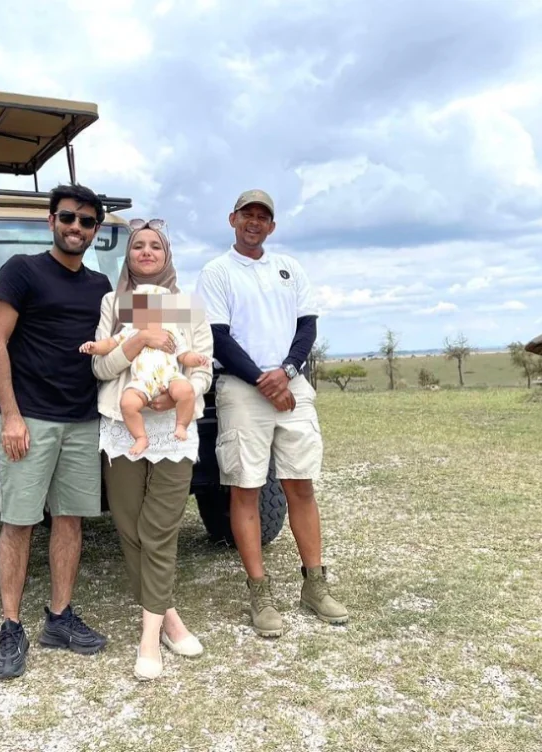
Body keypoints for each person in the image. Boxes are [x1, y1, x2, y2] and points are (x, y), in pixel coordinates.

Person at [194, 189, 348, 639]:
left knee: (301, 484)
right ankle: (259, 593)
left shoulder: (290, 268)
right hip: (243, 388)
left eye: (263, 216)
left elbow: (307, 325)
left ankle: (314, 585)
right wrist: (264, 380)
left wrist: (287, 371)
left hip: (290, 383)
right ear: (232, 218)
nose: (255, 222)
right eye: (247, 214)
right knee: (246, 487)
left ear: (272, 226)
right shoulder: (217, 272)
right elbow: (217, 336)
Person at [0, 183, 112, 680]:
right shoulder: (22, 271)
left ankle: (59, 617)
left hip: (82, 419)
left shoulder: (100, 286)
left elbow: (123, 335)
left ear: (96, 230)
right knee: (17, 522)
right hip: (30, 418)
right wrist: (11, 415)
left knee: (71, 520)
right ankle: (11, 625)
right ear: (51, 221)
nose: (75, 227)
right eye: (67, 217)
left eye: (85, 221)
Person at [89, 219, 213, 680]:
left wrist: (180, 394)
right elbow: (102, 369)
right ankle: (168, 616)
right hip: (125, 427)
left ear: (167, 255)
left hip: (174, 431)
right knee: (129, 526)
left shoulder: (185, 305)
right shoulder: (114, 304)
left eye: (154, 246)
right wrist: (138, 338)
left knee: (159, 528)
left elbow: (203, 366)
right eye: (138, 245)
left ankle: (148, 639)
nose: (145, 252)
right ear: (128, 255)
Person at [79, 283, 211, 454]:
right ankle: (141, 437)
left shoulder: (172, 332)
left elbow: (184, 355)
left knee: (186, 390)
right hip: (141, 381)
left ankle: (181, 425)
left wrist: (198, 359)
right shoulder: (131, 331)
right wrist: (94, 347)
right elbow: (110, 344)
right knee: (127, 403)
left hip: (170, 378)